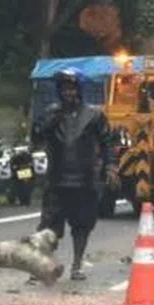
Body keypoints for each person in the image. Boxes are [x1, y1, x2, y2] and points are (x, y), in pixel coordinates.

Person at [32, 68, 114, 281]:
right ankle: (41, 265)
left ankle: (77, 265)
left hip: (85, 180)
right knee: (48, 226)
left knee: (82, 226)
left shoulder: (94, 114)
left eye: (72, 89)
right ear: (59, 91)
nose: (69, 93)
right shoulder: (51, 112)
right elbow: (36, 136)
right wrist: (51, 121)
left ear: (79, 90)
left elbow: (107, 142)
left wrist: (110, 167)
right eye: (65, 89)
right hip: (56, 180)